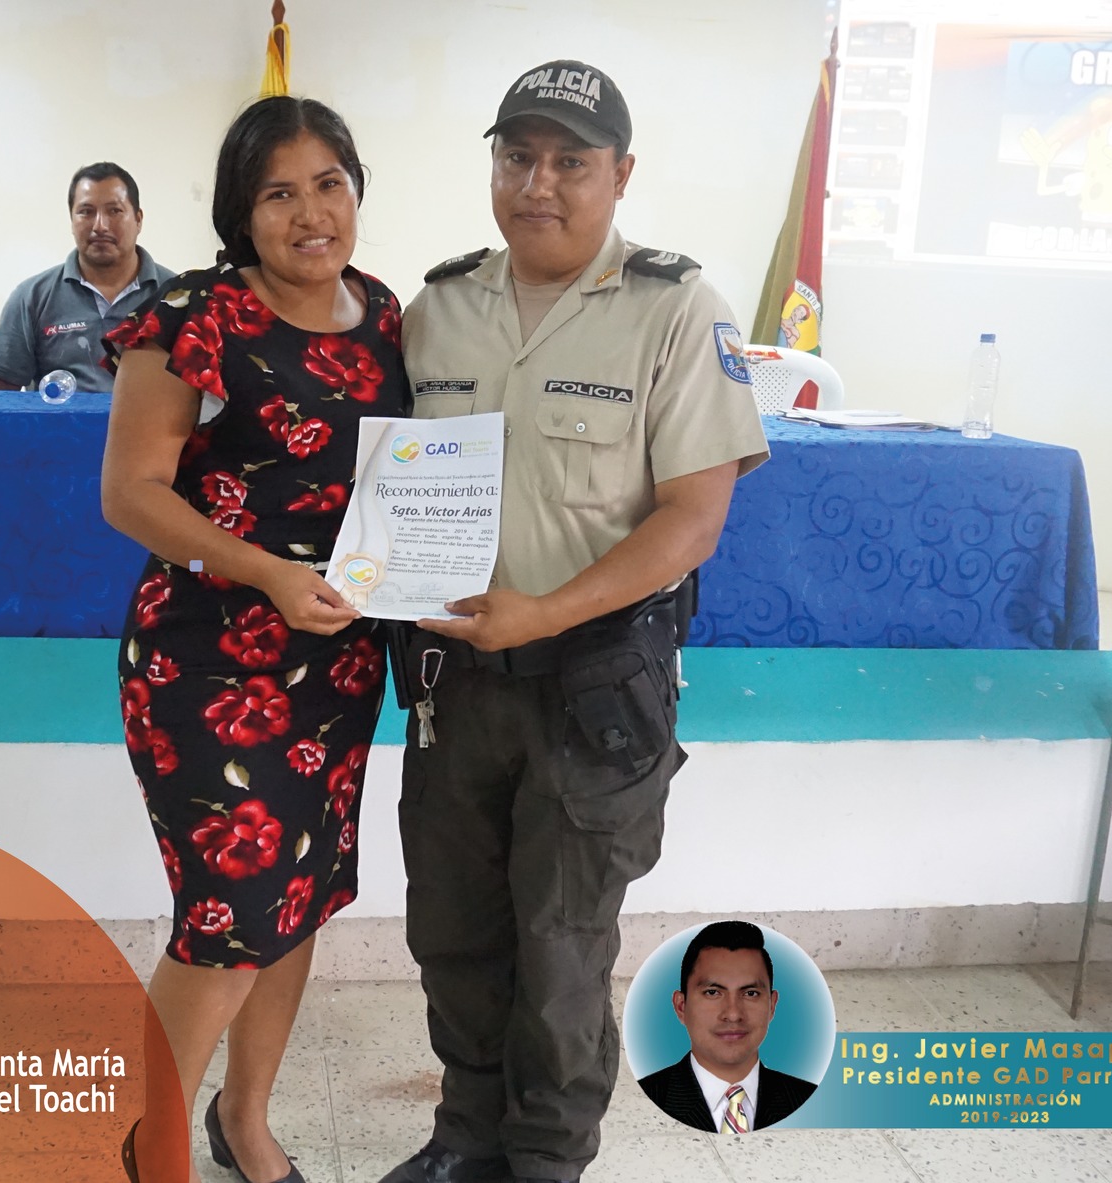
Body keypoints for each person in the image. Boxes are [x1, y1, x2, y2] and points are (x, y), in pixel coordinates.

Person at [379, 59, 770, 1183]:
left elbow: (692, 518)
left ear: (620, 174)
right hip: (455, 687)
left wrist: (543, 612)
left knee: (558, 950)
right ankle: (466, 1137)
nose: (537, 184)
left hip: (594, 687)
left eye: (568, 161)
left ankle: (546, 1158)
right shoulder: (437, 310)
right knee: (453, 934)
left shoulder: (676, 310)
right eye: (517, 157)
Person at [99, 96, 408, 1183]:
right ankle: (154, 1146)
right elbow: (130, 493)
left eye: (329, 184)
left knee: (298, 898)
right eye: (279, 192)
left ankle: (244, 1121)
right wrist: (269, 571)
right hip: (206, 664)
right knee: (228, 915)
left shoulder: (384, 315)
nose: (310, 213)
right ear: (242, 211)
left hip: (336, 665)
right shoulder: (193, 315)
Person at [0, 161, 177, 392]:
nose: (100, 226)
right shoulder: (32, 297)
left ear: (138, 220)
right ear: (72, 221)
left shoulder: (176, 297)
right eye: (86, 212)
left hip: (150, 417)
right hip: (57, 418)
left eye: (114, 211)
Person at [635, 922, 816, 1132]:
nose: (733, 1014)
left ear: (772, 1006)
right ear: (681, 1006)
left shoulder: (806, 1098)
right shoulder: (645, 1096)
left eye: (750, 993)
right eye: (713, 992)